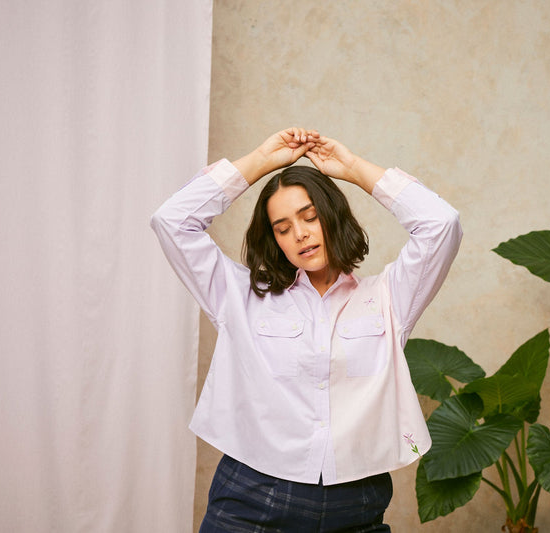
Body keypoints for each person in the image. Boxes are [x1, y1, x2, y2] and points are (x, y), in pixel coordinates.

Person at [151, 127, 462, 532]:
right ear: (275, 240)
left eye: (310, 216)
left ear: (331, 216)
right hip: (251, 498)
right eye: (282, 228)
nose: (299, 233)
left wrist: (351, 168)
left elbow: (442, 223)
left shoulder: (388, 299)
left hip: (356, 504)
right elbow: (172, 221)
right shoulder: (239, 297)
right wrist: (263, 160)